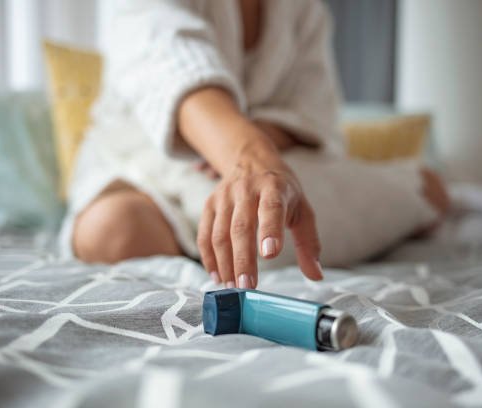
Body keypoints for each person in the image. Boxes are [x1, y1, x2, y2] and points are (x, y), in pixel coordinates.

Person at [59, 0, 449, 290]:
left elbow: (314, 113)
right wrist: (246, 154)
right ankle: (204, 241)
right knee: (113, 230)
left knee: (428, 189)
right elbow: (173, 69)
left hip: (277, 160)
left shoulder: (304, 10)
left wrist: (261, 139)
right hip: (146, 165)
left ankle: (224, 235)